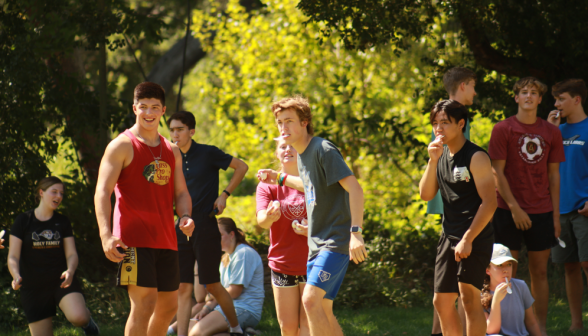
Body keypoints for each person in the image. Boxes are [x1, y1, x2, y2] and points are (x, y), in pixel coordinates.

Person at [257, 96, 367, 336]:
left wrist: (355, 233)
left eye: (289, 121)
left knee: (309, 301)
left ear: (304, 122)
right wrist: (279, 177)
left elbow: (355, 189)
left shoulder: (322, 149)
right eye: (279, 122)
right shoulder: (303, 154)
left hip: (334, 242)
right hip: (315, 246)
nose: (283, 128)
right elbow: (310, 186)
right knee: (324, 312)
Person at [94, 82, 195, 336]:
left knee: (168, 306)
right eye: (143, 107)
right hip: (133, 240)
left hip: (166, 239)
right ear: (134, 108)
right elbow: (102, 192)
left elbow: (181, 192)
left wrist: (185, 216)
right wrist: (106, 235)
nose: (148, 112)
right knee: (145, 303)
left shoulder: (172, 150)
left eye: (154, 107)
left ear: (163, 110)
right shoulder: (121, 145)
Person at [488, 77, 565, 335]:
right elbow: (496, 171)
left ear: (540, 100)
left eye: (534, 93)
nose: (529, 96)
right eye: (524, 92)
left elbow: (554, 175)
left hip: (542, 210)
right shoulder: (503, 129)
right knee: (505, 271)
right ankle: (507, 326)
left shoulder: (552, 132)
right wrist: (514, 208)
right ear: (516, 98)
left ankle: (538, 328)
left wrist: (555, 216)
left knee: (540, 272)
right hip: (506, 209)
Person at [419, 100, 497, 336]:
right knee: (440, 302)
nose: (438, 128)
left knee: (469, 299)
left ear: (461, 124)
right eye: (435, 123)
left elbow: (490, 202)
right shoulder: (439, 155)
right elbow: (425, 194)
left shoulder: (476, 156)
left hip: (475, 235)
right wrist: (432, 160)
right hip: (448, 235)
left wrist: (468, 238)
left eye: (445, 122)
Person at [168, 111, 249, 336]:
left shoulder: (208, 153)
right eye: (172, 130)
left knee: (212, 285)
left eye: (180, 129)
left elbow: (242, 167)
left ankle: (236, 329)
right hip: (179, 228)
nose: (175, 134)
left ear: (191, 131)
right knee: (183, 287)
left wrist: (224, 194)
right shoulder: (167, 157)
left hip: (205, 225)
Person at [8, 176, 99, 335]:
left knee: (79, 317)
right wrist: (16, 276)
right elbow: (13, 257)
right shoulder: (23, 220)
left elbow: (71, 254)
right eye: (54, 192)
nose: (59, 196)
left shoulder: (62, 222)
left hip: (61, 281)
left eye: (61, 193)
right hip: (33, 287)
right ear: (41, 192)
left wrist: (70, 271)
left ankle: (88, 325)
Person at [429, 66, 477, 336]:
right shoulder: (451, 117)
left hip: (457, 213)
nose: (474, 92)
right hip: (453, 212)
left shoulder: (447, 114)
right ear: (462, 86)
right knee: (454, 288)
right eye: (472, 86)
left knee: (451, 288)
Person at [546, 79, 588, 331]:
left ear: (577, 100)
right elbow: (543, 167)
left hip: (584, 210)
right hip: (558, 210)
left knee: (587, 263)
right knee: (570, 266)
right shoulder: (556, 131)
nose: (556, 104)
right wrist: (550, 132)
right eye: (556, 99)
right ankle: (576, 324)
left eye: (561, 99)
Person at [256, 138, 309, 336]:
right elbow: (261, 220)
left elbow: (328, 218)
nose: (288, 150)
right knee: (287, 327)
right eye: (283, 147)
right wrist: (269, 216)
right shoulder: (267, 186)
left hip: (312, 263)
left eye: (293, 145)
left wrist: (310, 229)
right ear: (277, 153)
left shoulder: (313, 181)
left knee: (308, 325)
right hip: (282, 264)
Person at [188, 218, 264, 336]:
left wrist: (211, 295)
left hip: (245, 309)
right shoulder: (225, 258)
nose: (215, 240)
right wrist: (206, 309)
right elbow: (218, 295)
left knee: (195, 334)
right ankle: (244, 334)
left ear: (232, 234)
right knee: (190, 328)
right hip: (226, 307)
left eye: (220, 235)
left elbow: (233, 292)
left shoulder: (243, 253)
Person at [481, 243, 541, 336]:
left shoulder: (521, 286)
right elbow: (491, 330)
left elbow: (531, 323)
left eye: (509, 264)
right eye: (500, 265)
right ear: (487, 270)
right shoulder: (480, 294)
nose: (505, 270)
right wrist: (496, 301)